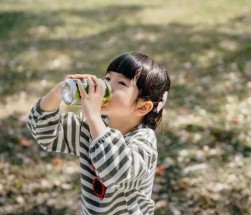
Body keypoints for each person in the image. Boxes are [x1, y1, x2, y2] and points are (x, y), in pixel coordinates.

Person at [27, 52, 171, 215]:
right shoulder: (92, 126)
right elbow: (42, 130)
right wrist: (59, 91)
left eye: (121, 83)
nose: (106, 86)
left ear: (142, 107)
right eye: (108, 79)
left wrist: (93, 116)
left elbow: (116, 173)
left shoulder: (144, 141)